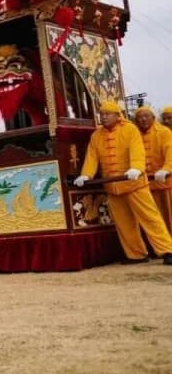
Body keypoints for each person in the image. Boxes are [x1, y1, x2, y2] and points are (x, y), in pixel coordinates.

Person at [74, 101, 172, 264]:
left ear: (117, 116)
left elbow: (137, 151)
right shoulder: (96, 135)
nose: (103, 117)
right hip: (113, 187)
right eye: (102, 114)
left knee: (150, 218)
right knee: (124, 223)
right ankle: (136, 254)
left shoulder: (130, 129)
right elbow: (92, 158)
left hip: (135, 184)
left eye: (107, 114)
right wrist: (86, 175)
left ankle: (167, 250)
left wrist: (136, 168)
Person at [133, 106, 172, 232]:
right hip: (145, 185)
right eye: (140, 117)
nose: (143, 120)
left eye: (146, 116)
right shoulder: (134, 135)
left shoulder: (164, 132)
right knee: (153, 220)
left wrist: (166, 169)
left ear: (153, 118)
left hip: (166, 183)